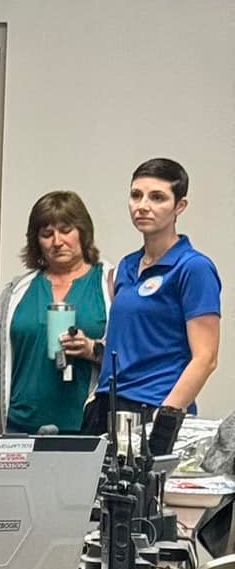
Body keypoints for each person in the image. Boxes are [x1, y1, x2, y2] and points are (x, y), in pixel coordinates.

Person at [92, 159, 221, 446]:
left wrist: (166, 418)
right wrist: (93, 399)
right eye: (136, 195)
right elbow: (122, 341)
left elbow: (206, 358)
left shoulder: (193, 268)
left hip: (153, 406)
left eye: (157, 197)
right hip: (107, 405)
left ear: (180, 206)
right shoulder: (125, 266)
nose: (142, 205)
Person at [0, 191, 112, 435]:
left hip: (88, 433)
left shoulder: (110, 284)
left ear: (83, 232)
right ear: (37, 241)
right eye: (47, 234)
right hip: (18, 431)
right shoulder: (17, 292)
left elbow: (132, 357)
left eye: (66, 230)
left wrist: (92, 350)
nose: (57, 242)